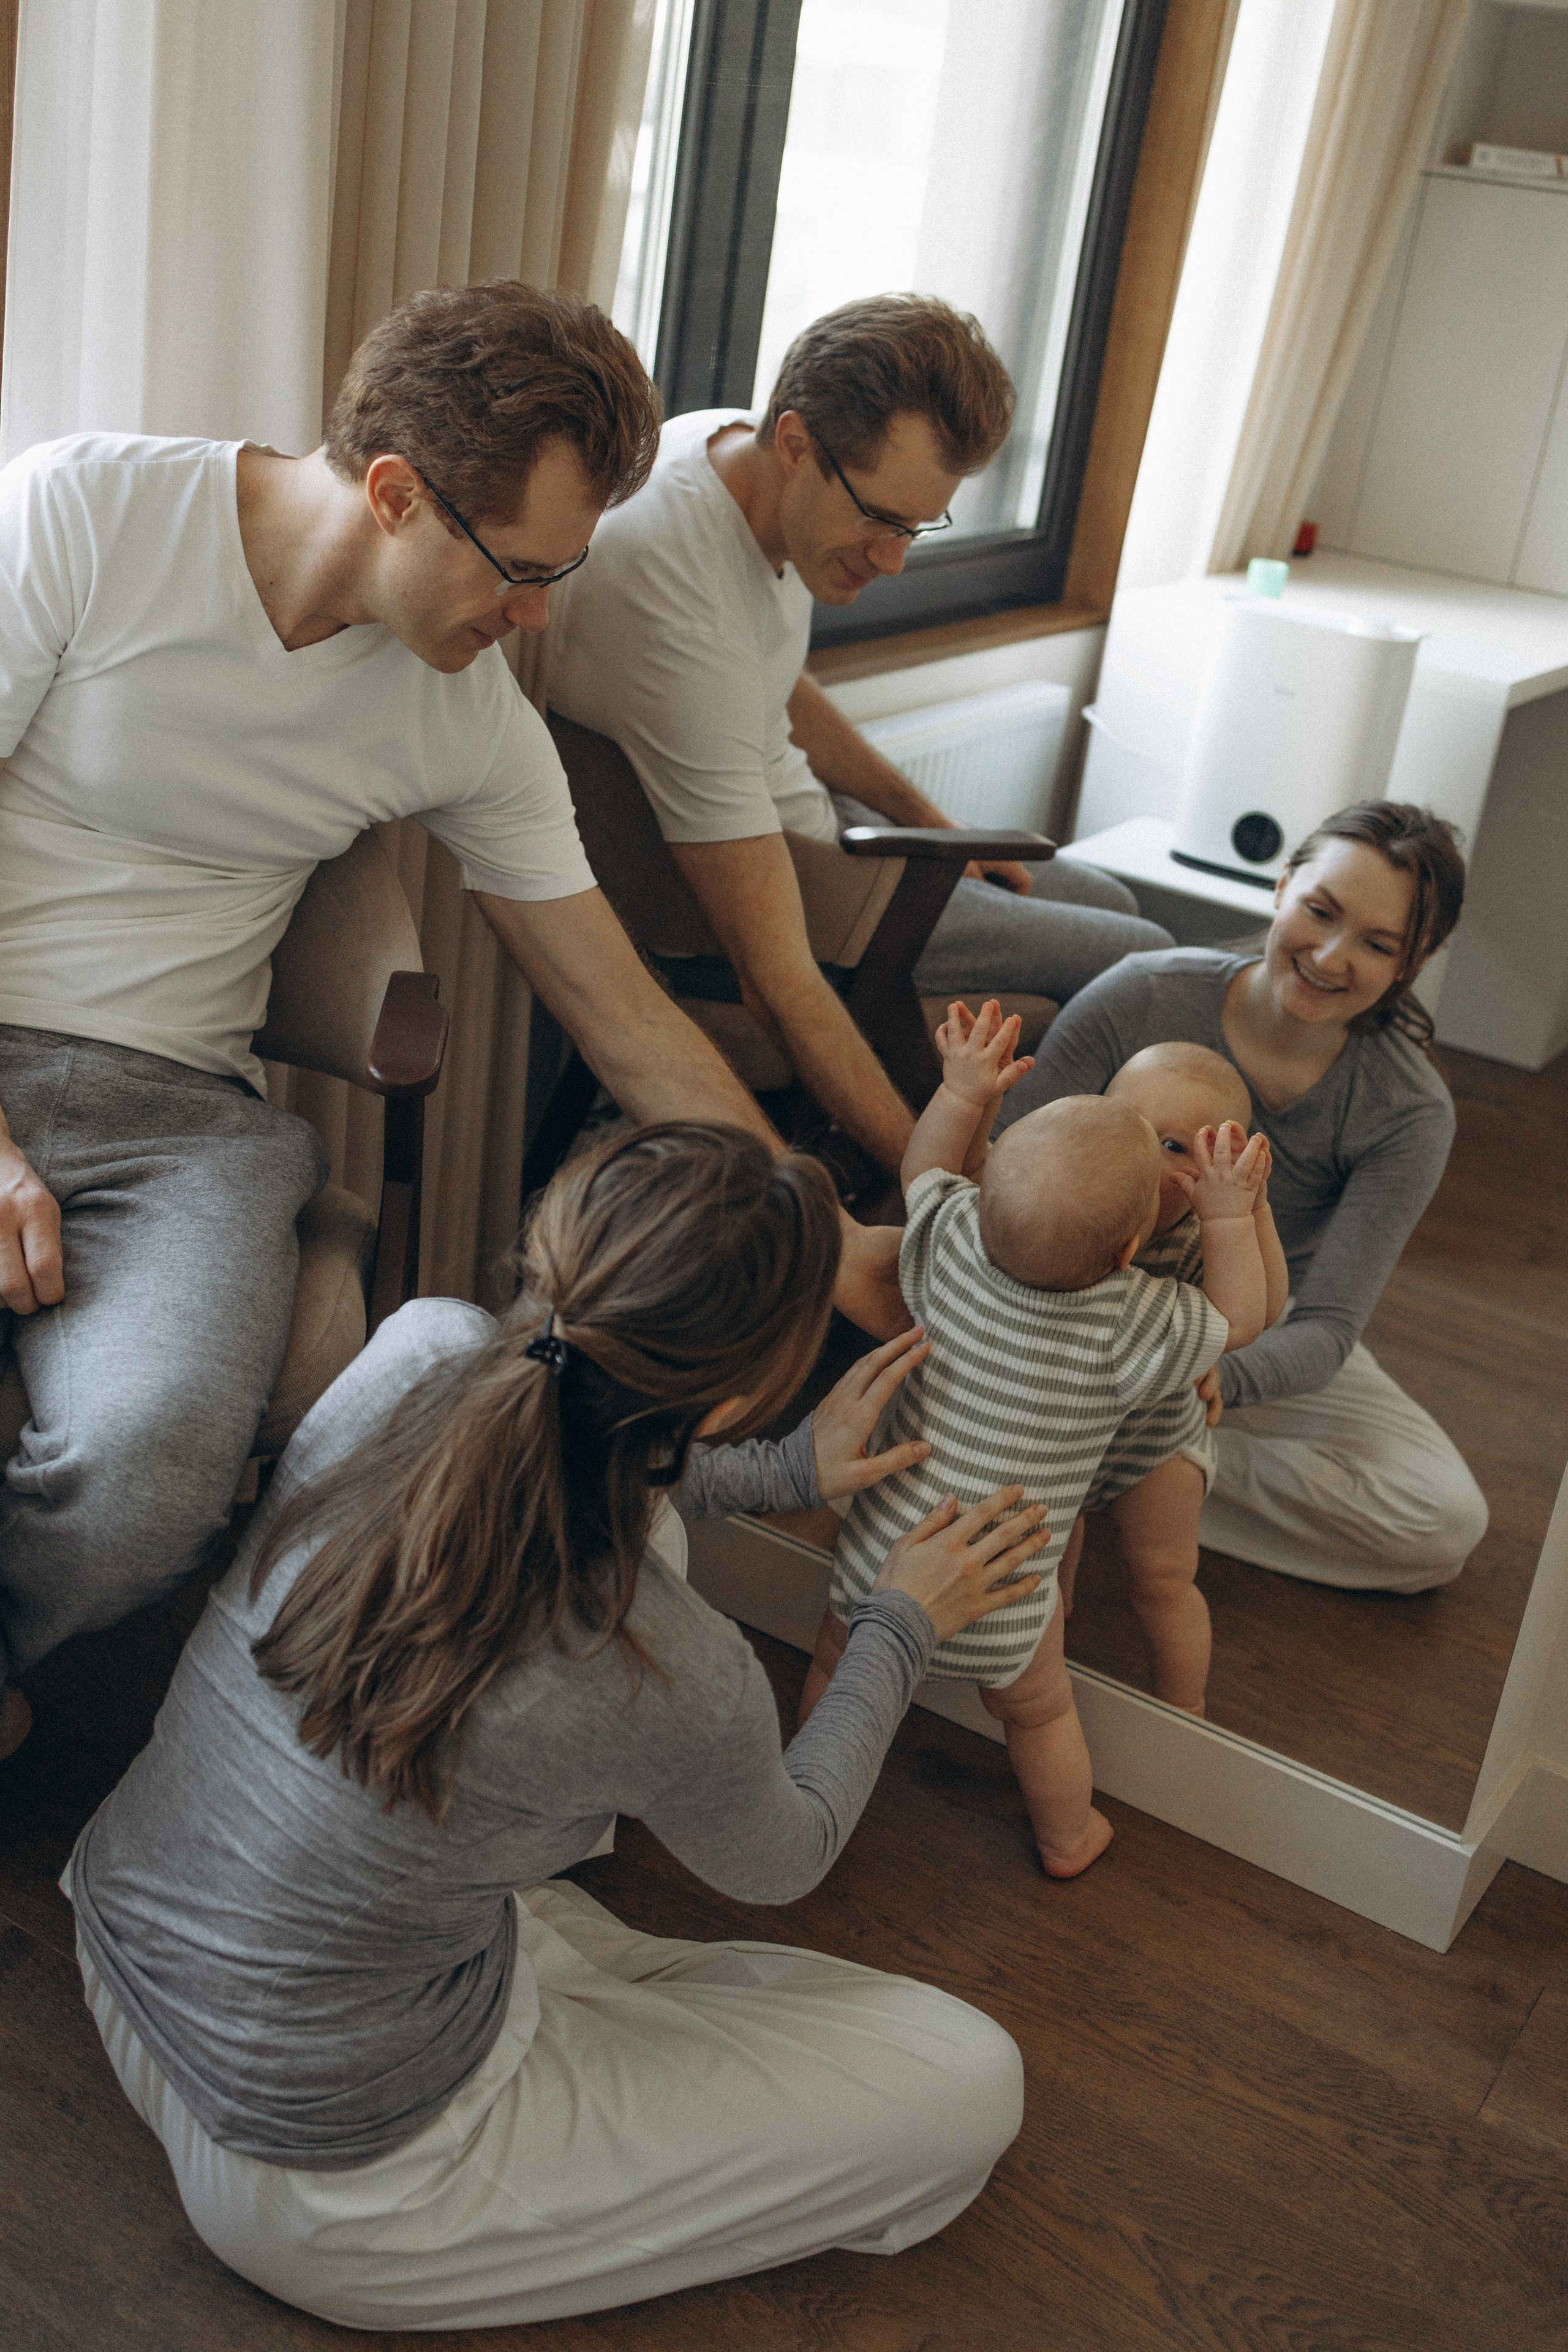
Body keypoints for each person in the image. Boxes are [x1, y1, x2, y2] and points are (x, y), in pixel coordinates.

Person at [0, 279, 900, 1759]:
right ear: (395, 492)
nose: (536, 615)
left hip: (180, 1124)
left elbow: (621, 1010)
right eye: (522, 570)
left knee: (150, 1467)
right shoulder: (89, 514)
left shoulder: (467, 713)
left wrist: (811, 1216)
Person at [62, 1122, 1046, 2330]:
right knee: (965, 2081)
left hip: (120, 1937)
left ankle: (515, 1967)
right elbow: (784, 1858)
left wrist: (785, 1470)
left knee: (621, 1626)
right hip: (324, 2178)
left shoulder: (419, 1349)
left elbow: (569, 1437)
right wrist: (900, 1618)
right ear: (731, 1398)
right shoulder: (670, 1667)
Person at [546, 292, 1171, 1177]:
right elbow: (779, 981)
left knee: (1113, 903)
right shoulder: (672, 599)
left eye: (917, 526)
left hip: (827, 836)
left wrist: (928, 819)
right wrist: (942, 1184)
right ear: (797, 441)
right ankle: (1032, 1215)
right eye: (880, 519)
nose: (893, 560)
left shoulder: (728, 447)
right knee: (1142, 968)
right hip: (810, 894)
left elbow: (765, 679)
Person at [802, 1001, 1268, 1878]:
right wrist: (1233, 1217)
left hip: (884, 1557)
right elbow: (1242, 1320)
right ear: (1131, 1249)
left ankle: (815, 1796)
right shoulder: (1131, 1321)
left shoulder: (944, 1243)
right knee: (1039, 1714)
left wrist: (964, 1090)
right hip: (1009, 1588)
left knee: (837, 1666)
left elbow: (927, 1166)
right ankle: (1068, 1836)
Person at [995, 800, 1488, 1593]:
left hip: (1237, 1327)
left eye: (1377, 943)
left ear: (1414, 959)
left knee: (1441, 1523)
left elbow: (1327, 1329)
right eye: (1320, 911)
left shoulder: (1410, 1112)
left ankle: (1113, 1470)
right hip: (1070, 1294)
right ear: (1283, 886)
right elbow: (1003, 1170)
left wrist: (1208, 1378)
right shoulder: (1142, 996)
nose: (1330, 955)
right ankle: (1111, 1459)